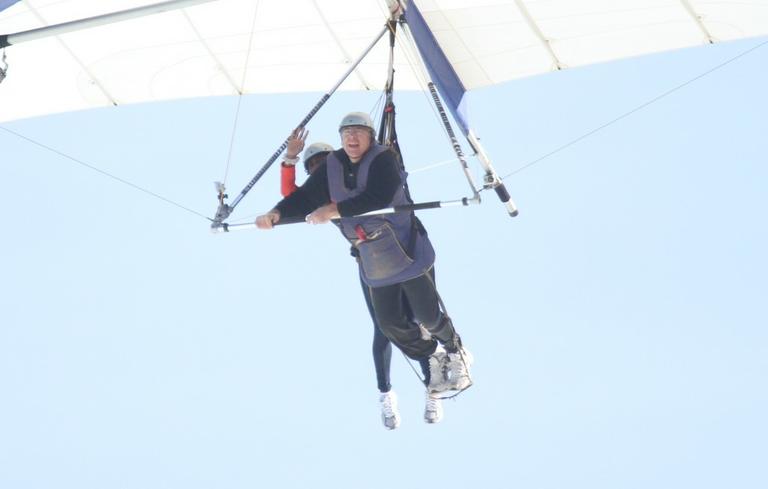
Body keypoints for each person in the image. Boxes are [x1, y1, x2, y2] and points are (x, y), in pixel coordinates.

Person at [258, 113, 473, 421]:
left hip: (405, 250)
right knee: (388, 325)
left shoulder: (379, 161)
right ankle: (420, 370)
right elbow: (299, 198)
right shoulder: (328, 176)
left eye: (358, 132)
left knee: (424, 315)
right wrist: (276, 214)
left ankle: (452, 356)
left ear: (370, 136)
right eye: (347, 133)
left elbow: (379, 195)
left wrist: (333, 209)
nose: (352, 139)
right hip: (373, 260)